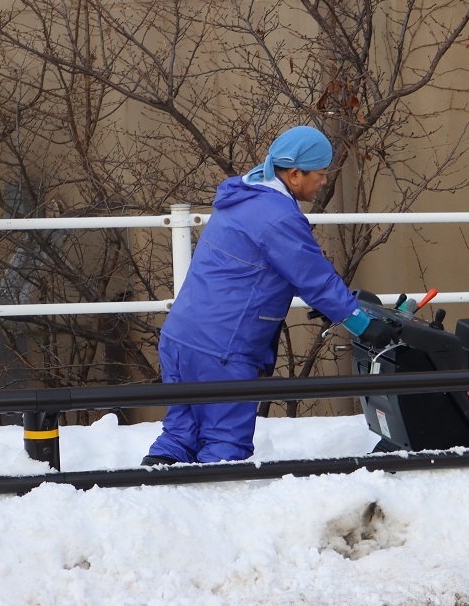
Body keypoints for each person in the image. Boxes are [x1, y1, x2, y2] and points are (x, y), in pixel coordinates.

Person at [143, 126, 395, 466]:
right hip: (223, 349)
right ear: (294, 174)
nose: (323, 183)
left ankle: (152, 499)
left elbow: (263, 270)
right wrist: (364, 325)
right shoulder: (278, 217)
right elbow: (315, 279)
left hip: (180, 336)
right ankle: (217, 511)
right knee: (224, 445)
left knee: (179, 435)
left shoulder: (242, 197)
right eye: (320, 174)